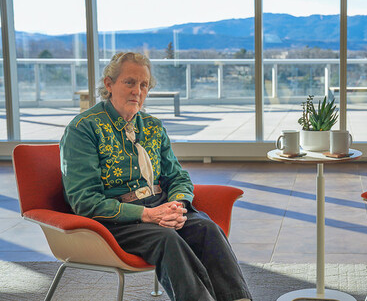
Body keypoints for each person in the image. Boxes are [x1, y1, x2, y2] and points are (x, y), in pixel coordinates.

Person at [60, 52, 252, 301]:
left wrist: (176, 205)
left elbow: (178, 176)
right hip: (115, 221)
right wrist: (147, 214)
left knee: (207, 229)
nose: (137, 91)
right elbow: (85, 201)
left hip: (158, 206)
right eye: (129, 82)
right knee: (167, 239)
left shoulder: (152, 126)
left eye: (144, 85)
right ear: (109, 84)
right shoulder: (83, 129)